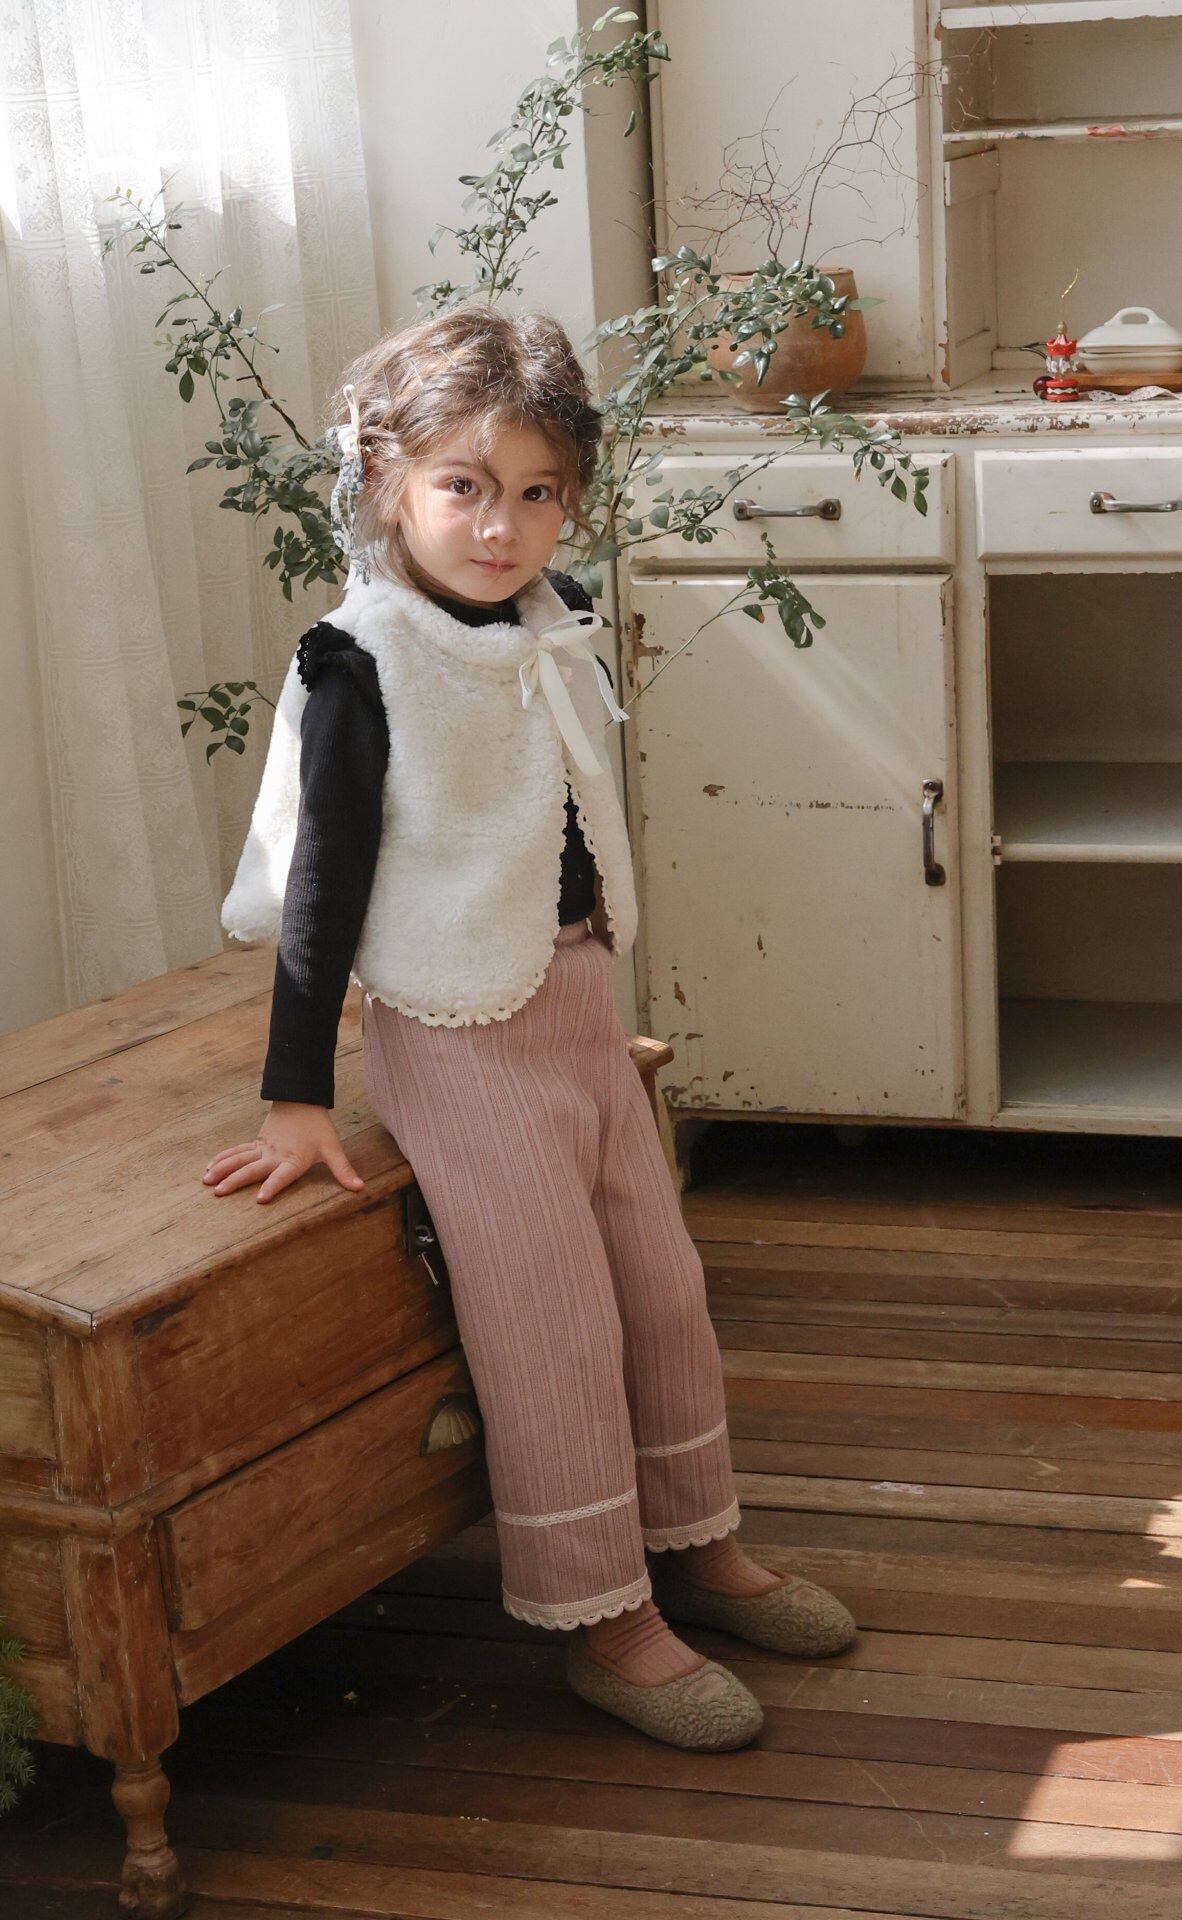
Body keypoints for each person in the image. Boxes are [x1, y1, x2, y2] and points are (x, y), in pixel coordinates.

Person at [204, 304, 855, 1752]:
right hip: (455, 1032)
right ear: (388, 483)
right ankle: (602, 1616)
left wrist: (595, 1003)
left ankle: (697, 1542)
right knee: (550, 1321)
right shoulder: (358, 660)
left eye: (538, 491)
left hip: (570, 1009)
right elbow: (321, 890)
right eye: (464, 487)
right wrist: (295, 1094)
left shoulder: (543, 628)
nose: (501, 527)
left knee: (661, 1289)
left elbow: (551, 832)